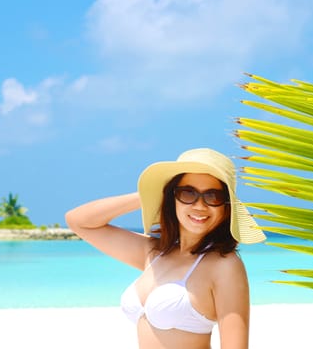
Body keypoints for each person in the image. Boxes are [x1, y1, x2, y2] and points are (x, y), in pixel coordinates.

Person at [65, 148, 266, 349]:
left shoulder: (224, 265)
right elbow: (79, 221)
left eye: (213, 196)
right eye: (188, 193)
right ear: (172, 197)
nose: (199, 206)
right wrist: (149, 193)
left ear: (226, 207)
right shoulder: (154, 252)